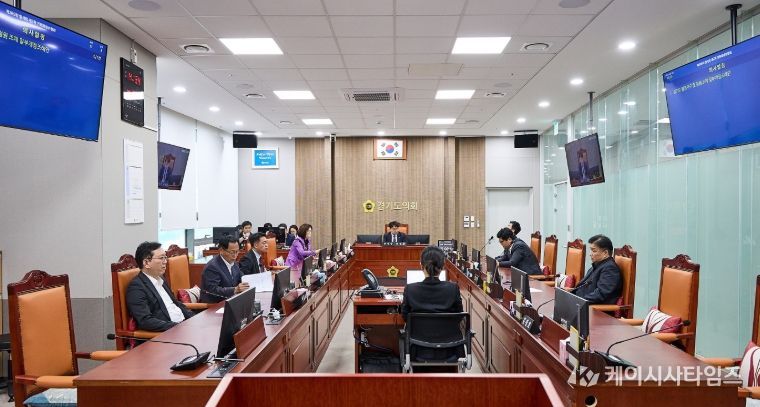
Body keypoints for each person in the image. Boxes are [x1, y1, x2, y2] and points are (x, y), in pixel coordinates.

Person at [126, 241, 193, 332]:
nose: (165, 262)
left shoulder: (161, 279)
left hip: (183, 325)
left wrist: (194, 319)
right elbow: (145, 321)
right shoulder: (136, 288)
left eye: (165, 257)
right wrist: (177, 327)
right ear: (146, 263)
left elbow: (176, 303)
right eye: (161, 258)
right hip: (168, 332)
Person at [400, 246, 463, 321]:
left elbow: (405, 317)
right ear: (443, 266)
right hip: (447, 329)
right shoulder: (453, 288)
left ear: (421, 266)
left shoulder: (410, 289)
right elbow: (459, 316)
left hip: (419, 329)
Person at [571, 234, 622, 304]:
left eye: (594, 251)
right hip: (581, 302)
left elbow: (600, 294)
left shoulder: (610, 269)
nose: (590, 254)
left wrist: (576, 300)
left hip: (592, 307)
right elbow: (585, 287)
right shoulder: (597, 265)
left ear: (605, 253)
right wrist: (571, 292)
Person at [200, 236, 248, 303]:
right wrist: (235, 290)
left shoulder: (233, 263)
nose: (235, 255)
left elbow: (241, 277)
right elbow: (212, 290)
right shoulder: (212, 267)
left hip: (231, 300)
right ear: (221, 250)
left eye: (237, 251)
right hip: (214, 304)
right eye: (232, 252)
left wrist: (248, 281)